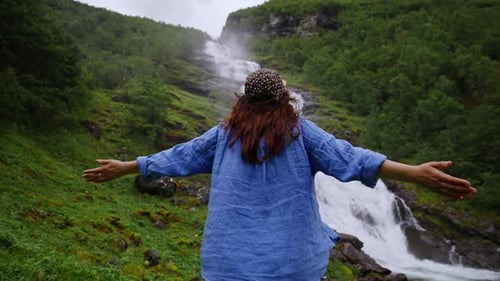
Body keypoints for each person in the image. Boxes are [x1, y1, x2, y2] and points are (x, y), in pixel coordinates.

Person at [82, 68, 476, 281]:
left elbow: (177, 156)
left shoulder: (223, 135)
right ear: (282, 100)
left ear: (244, 102)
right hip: (291, 265)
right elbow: (349, 157)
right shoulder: (300, 131)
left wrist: (128, 166)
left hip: (227, 265)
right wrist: (415, 173)